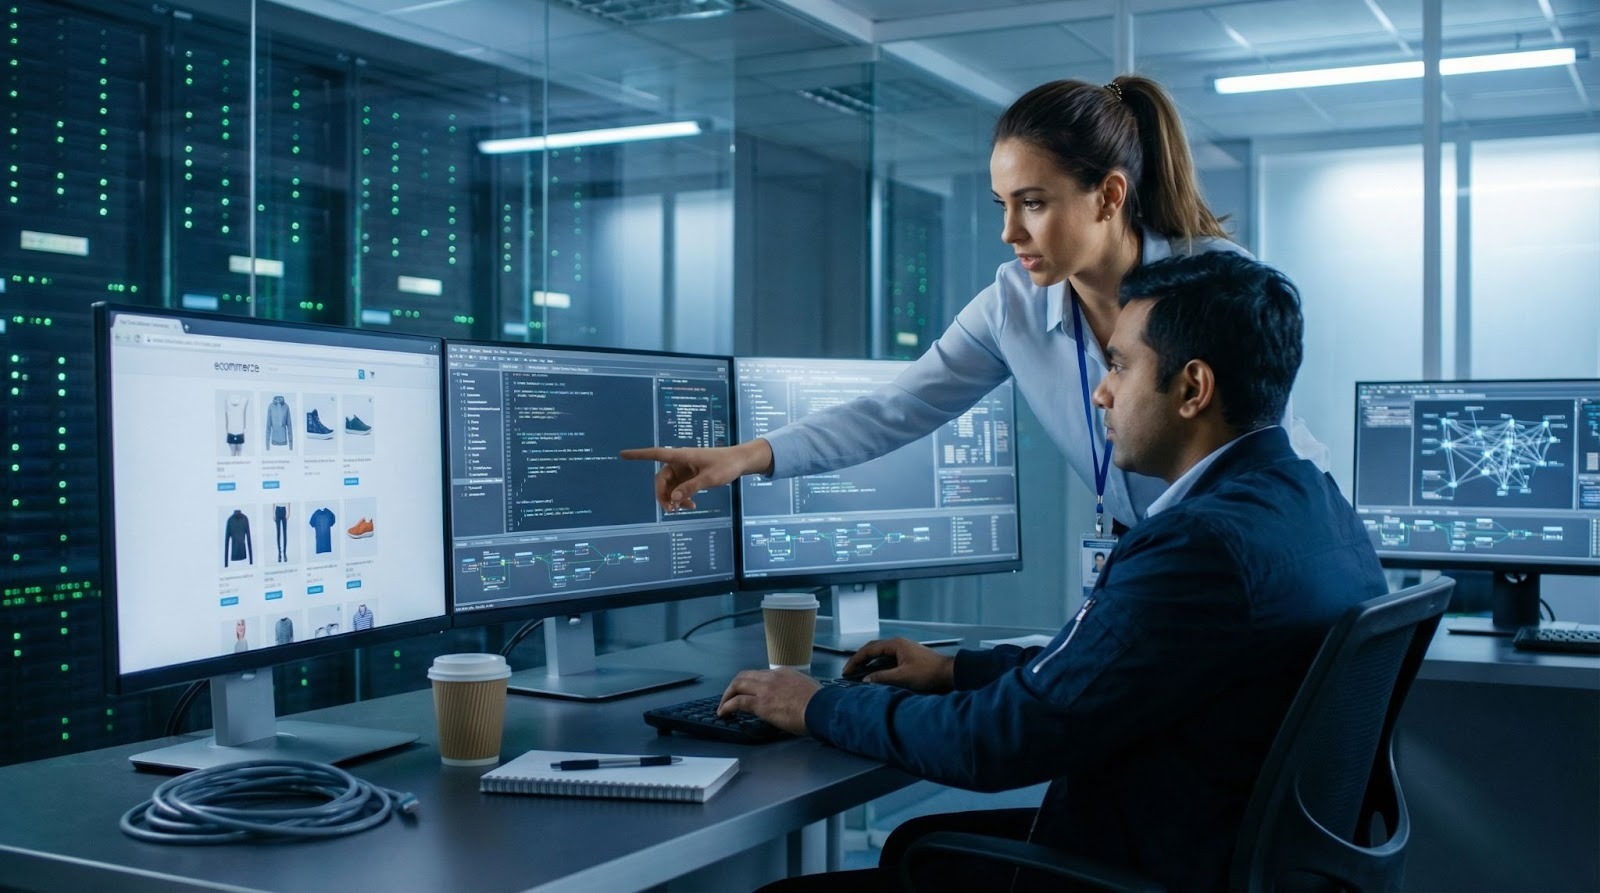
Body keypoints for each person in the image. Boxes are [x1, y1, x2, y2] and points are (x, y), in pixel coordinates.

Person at [718, 252, 1388, 892]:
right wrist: (956, 670)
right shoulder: (1319, 509)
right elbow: (1126, 664)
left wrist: (816, 702)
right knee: (918, 844)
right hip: (1218, 856)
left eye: (1120, 365)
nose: (1100, 391)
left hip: (1149, 867)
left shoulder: (1198, 544)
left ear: (1192, 388)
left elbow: (993, 742)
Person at [621, 75, 1326, 530]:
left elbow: (1273, 445)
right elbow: (891, 411)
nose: (1009, 232)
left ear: (1109, 196)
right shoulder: (1013, 304)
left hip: (1251, 545)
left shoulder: (1217, 285)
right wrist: (747, 456)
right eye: (1003, 204)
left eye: (1034, 203)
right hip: (1160, 559)